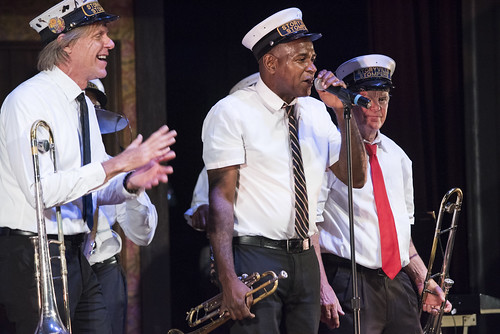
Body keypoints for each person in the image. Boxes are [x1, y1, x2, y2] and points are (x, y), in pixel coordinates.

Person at [0, 1, 176, 333]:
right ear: (66, 43)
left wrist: (129, 183)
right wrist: (118, 163)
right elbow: (43, 191)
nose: (109, 43)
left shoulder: (80, 103)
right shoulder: (28, 101)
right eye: (99, 35)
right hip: (33, 256)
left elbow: (92, 185)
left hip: (75, 253)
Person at [201, 8, 367, 334]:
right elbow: (220, 199)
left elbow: (355, 177)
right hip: (255, 255)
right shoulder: (232, 111)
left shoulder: (317, 112)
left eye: (313, 58)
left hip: (304, 259)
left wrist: (342, 113)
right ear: (271, 63)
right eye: (302, 59)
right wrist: (228, 278)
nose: (313, 68)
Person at [316, 54, 452, 334]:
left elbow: (401, 233)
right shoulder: (328, 148)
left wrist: (423, 279)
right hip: (350, 279)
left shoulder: (398, 156)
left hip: (396, 281)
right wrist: (321, 285)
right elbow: (310, 225)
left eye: (384, 98)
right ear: (350, 100)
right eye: (368, 99)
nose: (377, 107)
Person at [84, 79, 159, 334]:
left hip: (104, 273)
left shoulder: (117, 167)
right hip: (57, 269)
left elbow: (142, 236)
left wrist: (133, 189)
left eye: (92, 107)